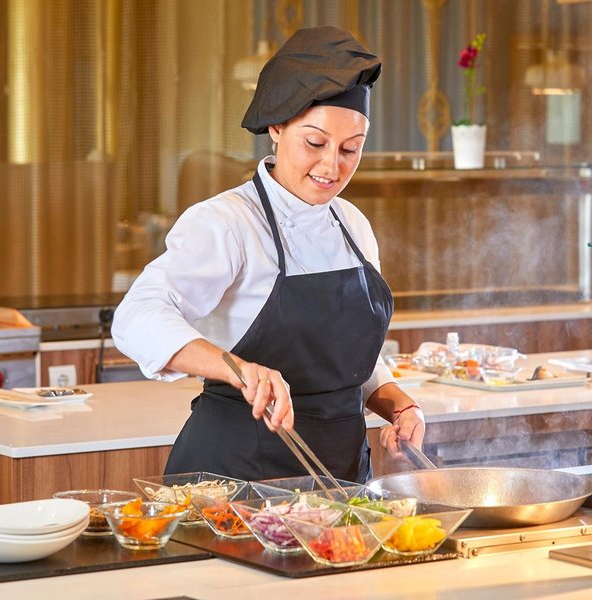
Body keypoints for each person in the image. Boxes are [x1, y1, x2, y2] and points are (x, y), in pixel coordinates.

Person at [112, 26, 424, 483]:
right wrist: (237, 370)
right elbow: (136, 317)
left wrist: (399, 404)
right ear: (277, 128)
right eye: (315, 143)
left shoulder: (353, 224)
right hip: (235, 479)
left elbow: (344, 357)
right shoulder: (227, 222)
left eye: (350, 149)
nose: (331, 166)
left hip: (339, 480)